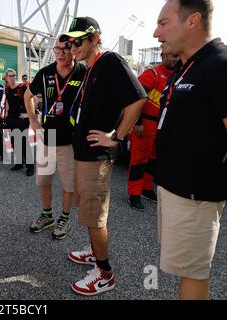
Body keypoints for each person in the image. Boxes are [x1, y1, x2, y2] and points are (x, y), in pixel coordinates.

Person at [60, 17, 146, 296]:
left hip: (96, 157)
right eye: (69, 42)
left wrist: (117, 136)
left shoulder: (110, 61)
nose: (72, 47)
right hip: (83, 153)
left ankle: (104, 272)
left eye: (77, 41)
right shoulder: (89, 68)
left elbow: (138, 99)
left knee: (95, 216)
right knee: (87, 209)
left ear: (95, 38)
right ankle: (93, 251)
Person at [153, 0, 226, 300]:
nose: (156, 33)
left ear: (193, 20)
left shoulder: (220, 66)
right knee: (185, 271)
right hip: (174, 189)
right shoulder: (188, 66)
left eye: (164, 23)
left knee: (194, 276)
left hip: (196, 196)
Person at [24, 39, 86, 240]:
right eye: (57, 49)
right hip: (47, 138)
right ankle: (47, 214)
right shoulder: (45, 73)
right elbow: (27, 95)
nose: (60, 53)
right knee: (42, 181)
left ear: (74, 51)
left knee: (69, 185)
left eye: (65, 49)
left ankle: (64, 218)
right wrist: (33, 121)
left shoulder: (83, 72)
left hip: (71, 141)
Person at [127, 53, 178, 211]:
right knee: (139, 160)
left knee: (153, 159)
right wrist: (138, 122)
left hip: (161, 125)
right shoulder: (152, 74)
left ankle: (146, 188)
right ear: (163, 56)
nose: (175, 60)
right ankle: (133, 194)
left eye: (177, 57)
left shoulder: (177, 76)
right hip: (145, 124)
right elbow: (135, 99)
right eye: (172, 57)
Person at [4, 68, 35, 176]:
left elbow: (33, 98)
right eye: (10, 76)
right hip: (12, 119)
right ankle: (19, 163)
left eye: (14, 75)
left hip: (22, 119)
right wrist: (6, 113)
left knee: (24, 142)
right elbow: (7, 101)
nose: (12, 78)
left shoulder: (22, 88)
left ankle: (30, 166)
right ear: (6, 78)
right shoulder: (7, 89)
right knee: (15, 142)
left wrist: (29, 114)